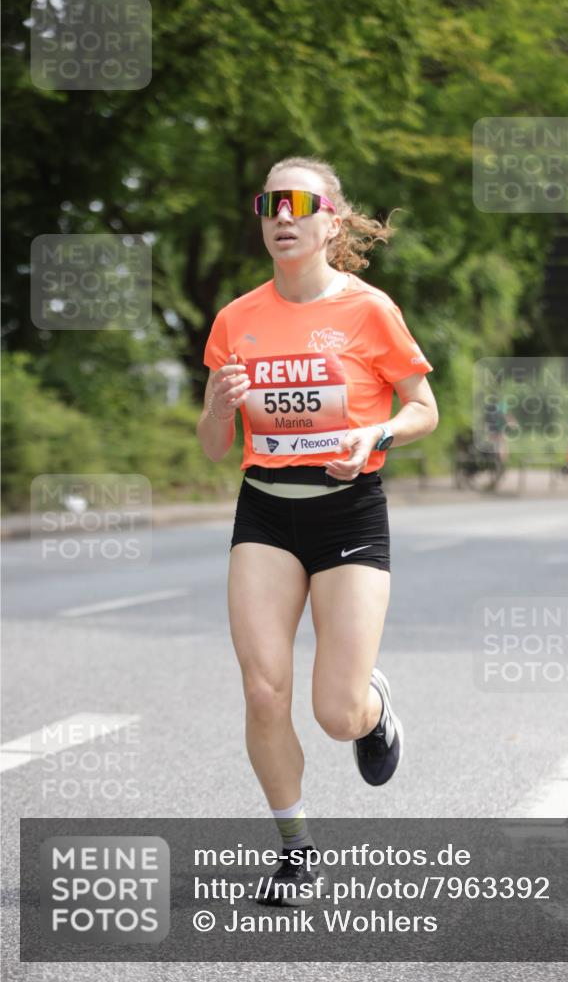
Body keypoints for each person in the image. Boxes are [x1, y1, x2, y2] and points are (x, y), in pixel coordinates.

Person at [197, 156, 438, 905]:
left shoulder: (370, 310)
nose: (282, 214)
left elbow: (423, 407)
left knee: (333, 714)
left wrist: (379, 437)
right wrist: (218, 400)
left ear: (330, 218)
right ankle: (295, 848)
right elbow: (213, 446)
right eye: (270, 201)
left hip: (348, 511)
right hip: (265, 510)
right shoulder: (236, 319)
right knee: (264, 690)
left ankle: (371, 704)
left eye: (299, 201)